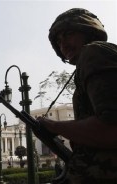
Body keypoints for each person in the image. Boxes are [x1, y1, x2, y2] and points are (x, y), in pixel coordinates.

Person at [38, 8, 117, 183]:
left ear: (88, 32)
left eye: (69, 34)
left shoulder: (94, 52)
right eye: (59, 40)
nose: (63, 45)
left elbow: (111, 128)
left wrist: (53, 126)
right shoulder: (91, 59)